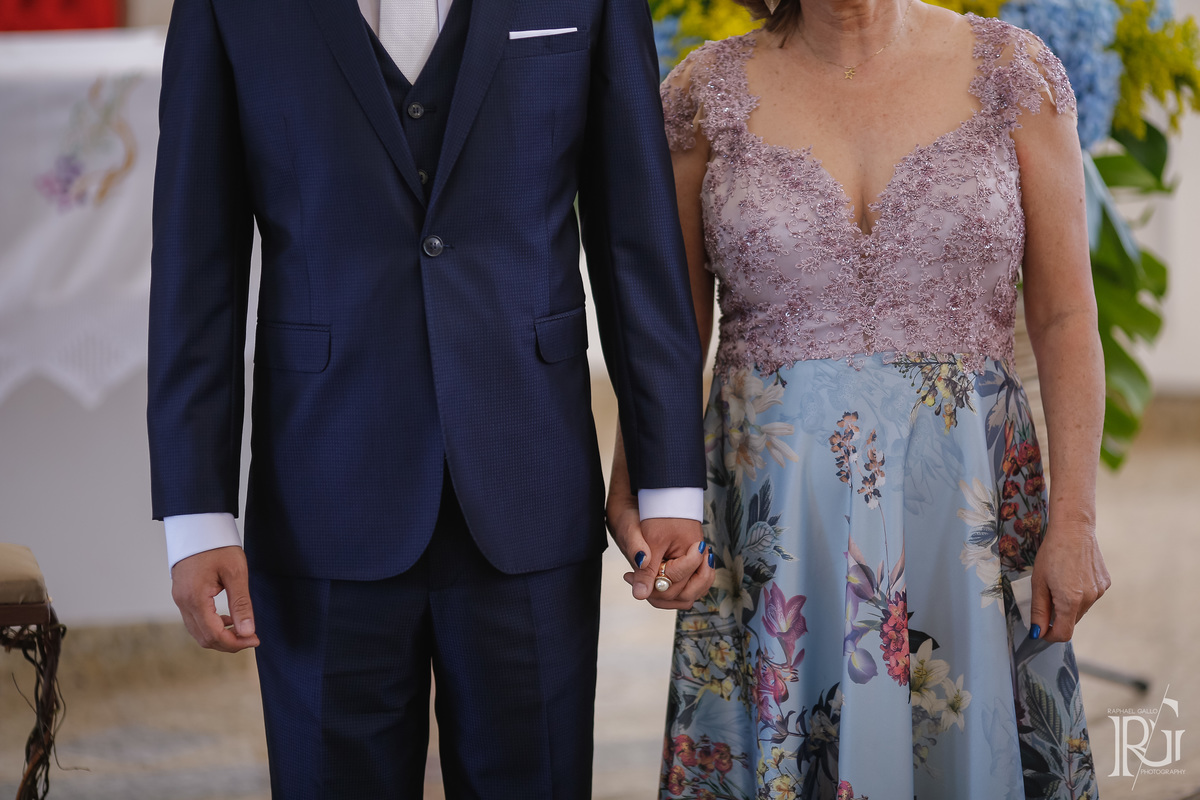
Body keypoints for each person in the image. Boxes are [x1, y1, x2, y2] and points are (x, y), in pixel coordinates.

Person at [146, 0, 716, 796]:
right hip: (323, 488)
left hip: (529, 475)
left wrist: (668, 481)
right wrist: (198, 515)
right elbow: (194, 264)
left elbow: (636, 242)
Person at [605, 1, 1111, 796]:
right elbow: (668, 329)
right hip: (776, 530)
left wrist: (1075, 520)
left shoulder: (1015, 73)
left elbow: (1065, 316)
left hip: (965, 527)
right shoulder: (703, 95)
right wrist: (637, 482)